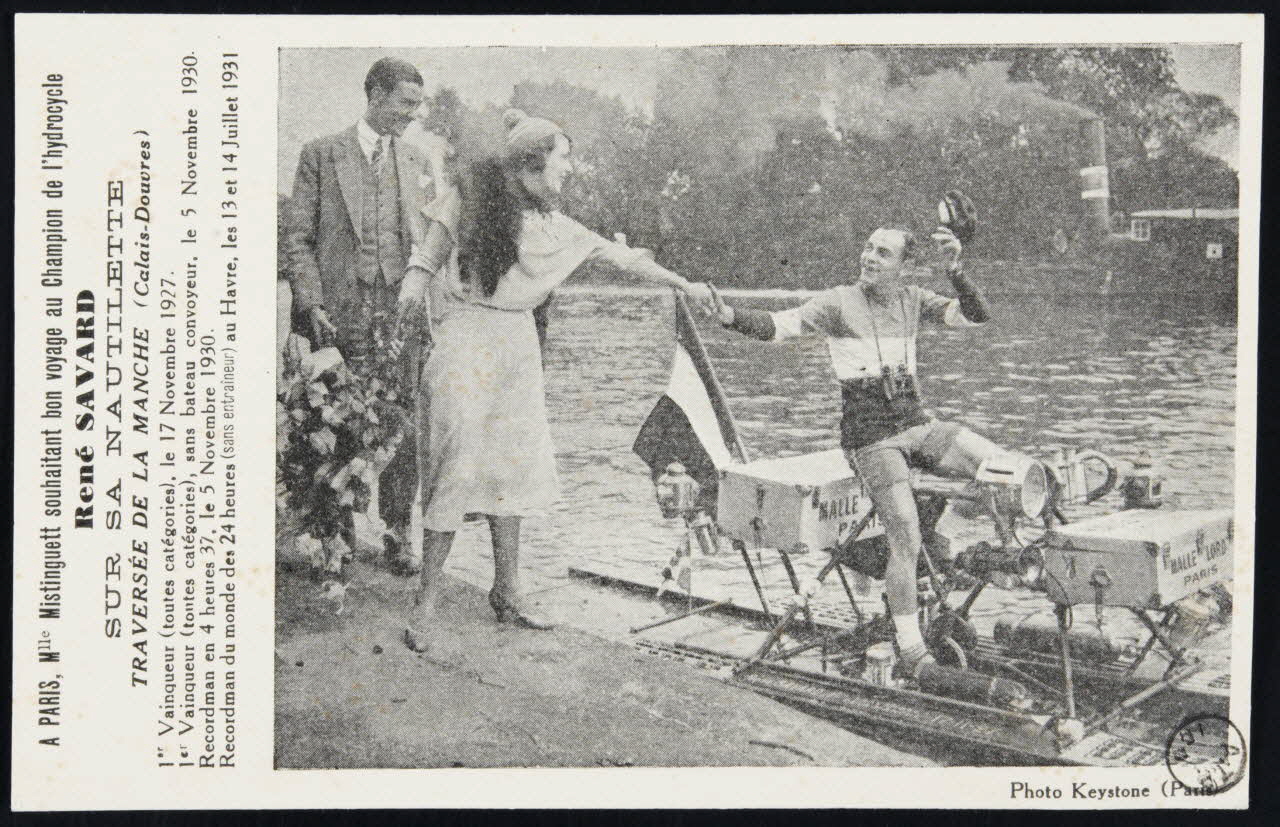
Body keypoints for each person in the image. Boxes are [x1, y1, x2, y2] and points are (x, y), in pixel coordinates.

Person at [400, 109, 713, 652]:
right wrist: (411, 288)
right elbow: (426, 257)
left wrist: (685, 284)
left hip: (518, 343)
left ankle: (507, 591)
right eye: (562, 158)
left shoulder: (555, 225)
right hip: (467, 338)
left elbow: (623, 259)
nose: (568, 168)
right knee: (457, 463)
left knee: (513, 465)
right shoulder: (468, 199)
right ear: (532, 164)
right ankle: (425, 605)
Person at [707, 223, 1008, 675]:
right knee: (904, 534)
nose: (869, 257)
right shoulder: (837, 302)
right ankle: (913, 650)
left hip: (916, 424)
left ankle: (950, 543)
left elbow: (977, 316)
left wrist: (956, 271)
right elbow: (778, 326)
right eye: (868, 248)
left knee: (1004, 470)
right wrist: (728, 315)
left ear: (904, 265)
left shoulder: (914, 299)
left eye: (883, 253)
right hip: (871, 437)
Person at [284, 57, 432, 574]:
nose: (412, 114)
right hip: (337, 314)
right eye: (405, 103)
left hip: (399, 314)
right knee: (334, 422)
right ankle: (336, 536)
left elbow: (429, 244)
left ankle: (398, 532)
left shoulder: (416, 160)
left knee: (404, 425)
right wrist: (312, 305)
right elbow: (298, 240)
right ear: (375, 96)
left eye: (417, 104)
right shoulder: (322, 154)